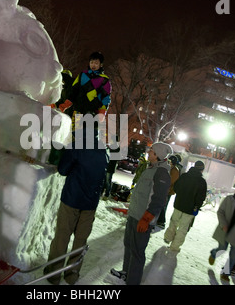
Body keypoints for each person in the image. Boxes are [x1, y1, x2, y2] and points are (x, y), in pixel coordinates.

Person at [44, 125, 109, 285]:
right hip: (90, 204)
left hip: (72, 199)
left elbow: (63, 170)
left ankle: (53, 274)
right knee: (80, 240)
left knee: (62, 236)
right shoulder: (104, 151)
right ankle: (72, 274)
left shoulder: (76, 147)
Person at [111, 142, 172, 285]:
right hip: (134, 215)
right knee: (129, 245)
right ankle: (126, 273)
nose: (149, 151)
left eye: (151, 150)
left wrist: (146, 218)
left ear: (157, 155)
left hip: (143, 219)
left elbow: (159, 199)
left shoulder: (161, 172)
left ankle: (133, 281)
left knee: (137, 252)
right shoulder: (150, 168)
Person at [55, 52, 112, 129]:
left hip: (93, 112)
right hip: (78, 111)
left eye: (96, 63)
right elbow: (73, 91)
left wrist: (102, 113)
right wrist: (66, 104)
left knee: (90, 136)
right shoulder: (82, 75)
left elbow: (106, 98)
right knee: (75, 135)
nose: (93, 65)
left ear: (101, 64)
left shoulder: (104, 80)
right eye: (91, 62)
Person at [163, 160, 207, 252]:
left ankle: (168, 238)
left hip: (178, 204)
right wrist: (196, 207)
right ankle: (174, 246)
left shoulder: (184, 176)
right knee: (183, 228)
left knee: (173, 222)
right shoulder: (202, 182)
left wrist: (181, 196)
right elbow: (201, 197)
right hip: (190, 209)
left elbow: (176, 187)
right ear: (202, 170)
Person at [157, 155, 182, 228]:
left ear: (173, 163)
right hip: (163, 190)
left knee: (163, 205)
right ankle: (159, 220)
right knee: (160, 204)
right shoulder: (168, 168)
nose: (168, 163)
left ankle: (161, 221)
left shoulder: (175, 170)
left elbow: (170, 181)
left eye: (170, 162)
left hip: (168, 191)